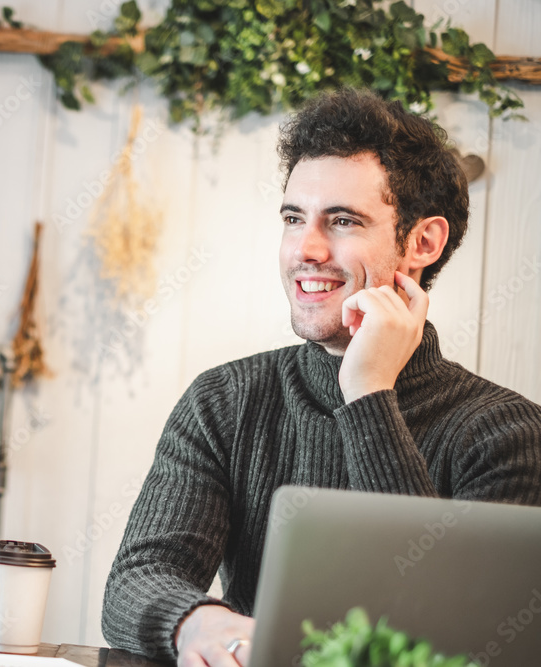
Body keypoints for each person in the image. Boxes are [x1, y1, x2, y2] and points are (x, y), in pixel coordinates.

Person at [101, 88, 541, 666]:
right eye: (293, 218)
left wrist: (369, 394)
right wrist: (201, 626)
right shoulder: (226, 400)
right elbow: (137, 580)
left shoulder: (508, 434)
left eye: (341, 220)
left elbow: (448, 634)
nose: (305, 249)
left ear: (422, 243)